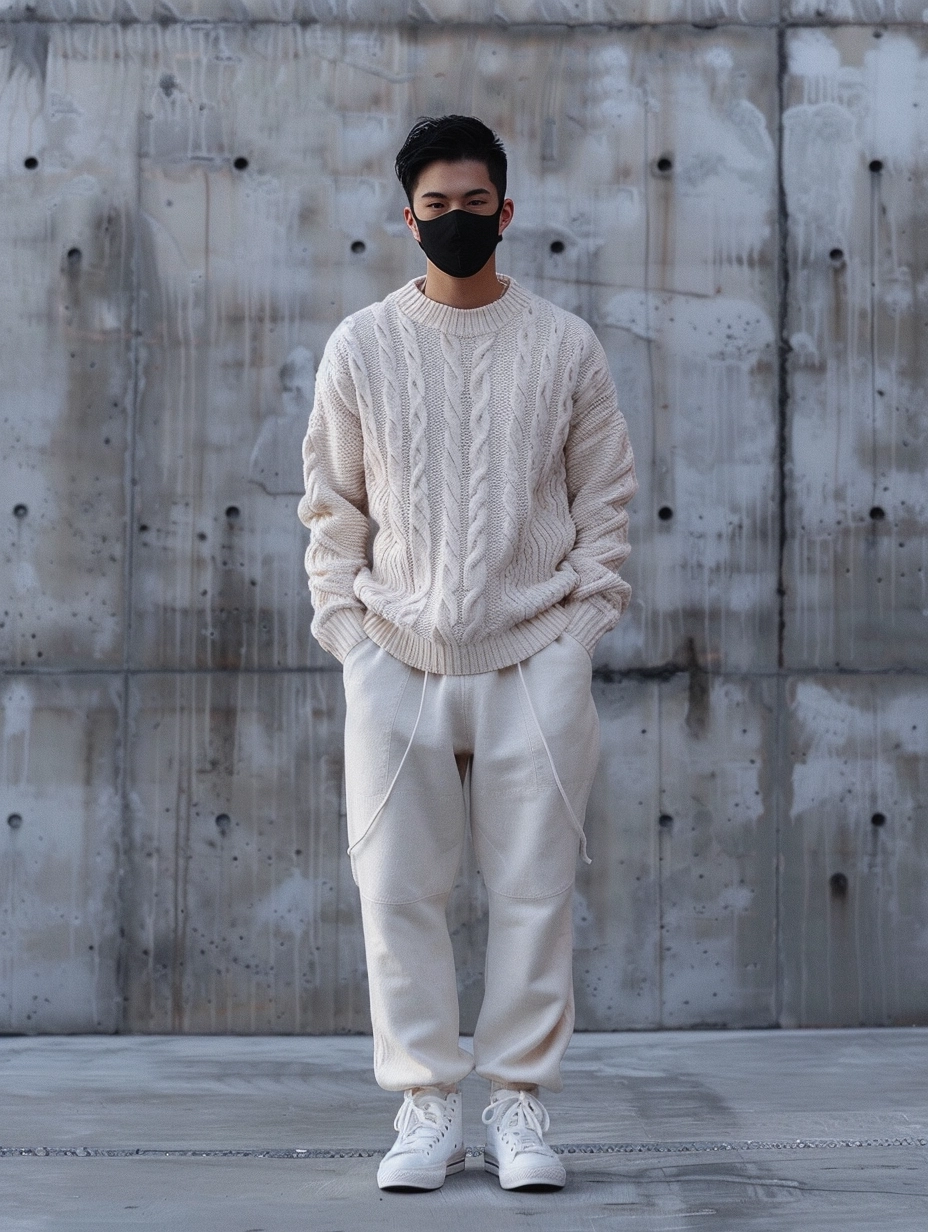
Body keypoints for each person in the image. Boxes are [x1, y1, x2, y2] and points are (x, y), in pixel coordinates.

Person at [298, 114, 637, 1193]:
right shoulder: (360, 344)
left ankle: (521, 1102)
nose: (455, 219)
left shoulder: (563, 344)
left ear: (507, 208)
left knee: (535, 888)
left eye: (473, 201)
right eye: (434, 205)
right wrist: (350, 635)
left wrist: (580, 628)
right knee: (394, 888)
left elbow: (608, 503)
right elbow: (329, 508)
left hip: (534, 649)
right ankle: (426, 1105)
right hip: (393, 650)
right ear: (407, 216)